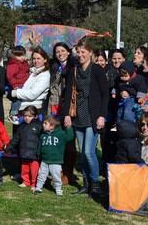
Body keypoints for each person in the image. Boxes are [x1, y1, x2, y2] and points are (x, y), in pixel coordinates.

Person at [63, 40, 109, 196]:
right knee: (82, 152)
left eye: (83, 52)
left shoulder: (96, 70)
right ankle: (86, 183)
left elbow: (105, 94)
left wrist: (102, 115)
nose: (80, 54)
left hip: (93, 115)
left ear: (90, 53)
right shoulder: (74, 70)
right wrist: (66, 115)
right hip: (77, 115)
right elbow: (67, 94)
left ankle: (95, 184)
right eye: (78, 52)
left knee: (89, 152)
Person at [48, 42, 76, 186]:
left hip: (68, 108)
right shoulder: (54, 67)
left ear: (69, 52)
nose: (60, 53)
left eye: (63, 50)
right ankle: (56, 172)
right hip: (54, 107)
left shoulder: (73, 66)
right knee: (57, 141)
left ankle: (67, 173)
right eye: (57, 51)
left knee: (69, 142)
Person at [34, 115, 74, 195]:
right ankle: (38, 187)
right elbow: (40, 146)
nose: (43, 125)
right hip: (45, 160)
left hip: (56, 161)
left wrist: (69, 128)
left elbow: (69, 137)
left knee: (56, 176)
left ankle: (58, 189)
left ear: (52, 126)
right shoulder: (43, 135)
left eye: (45, 123)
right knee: (41, 174)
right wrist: (38, 154)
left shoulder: (61, 134)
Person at [10, 47, 51, 123]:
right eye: (34, 58)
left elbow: (32, 94)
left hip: (33, 111)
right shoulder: (32, 72)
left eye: (38, 58)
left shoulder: (45, 75)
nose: (36, 61)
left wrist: (15, 93)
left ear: (45, 60)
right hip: (22, 110)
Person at [8, 106, 42, 190]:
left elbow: (42, 139)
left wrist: (40, 151)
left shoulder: (39, 126)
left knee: (34, 170)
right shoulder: (21, 126)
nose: (27, 118)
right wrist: (9, 147)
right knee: (24, 169)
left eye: (29, 116)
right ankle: (26, 181)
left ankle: (34, 183)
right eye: (25, 116)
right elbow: (16, 139)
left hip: (34, 155)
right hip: (24, 152)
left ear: (35, 116)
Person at [6, 46, 30, 123]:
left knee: (21, 100)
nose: (22, 57)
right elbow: (10, 76)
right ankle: (13, 114)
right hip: (17, 85)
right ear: (14, 56)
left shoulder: (24, 63)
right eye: (19, 56)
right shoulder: (13, 64)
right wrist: (14, 85)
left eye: (23, 55)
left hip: (23, 84)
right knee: (17, 100)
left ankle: (18, 114)